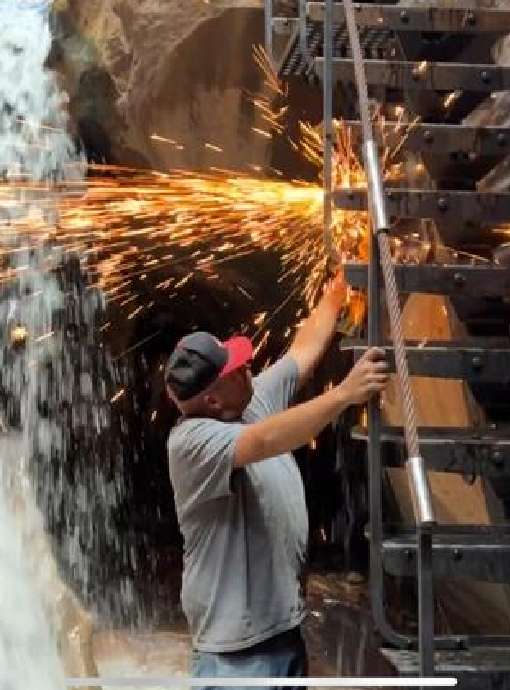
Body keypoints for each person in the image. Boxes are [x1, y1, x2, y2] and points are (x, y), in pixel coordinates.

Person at [164, 272, 388, 688]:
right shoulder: (191, 442)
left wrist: (335, 296)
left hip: (282, 634)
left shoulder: (248, 401)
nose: (248, 367)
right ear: (211, 398)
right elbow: (266, 439)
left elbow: (301, 353)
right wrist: (344, 394)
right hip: (236, 658)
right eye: (236, 369)